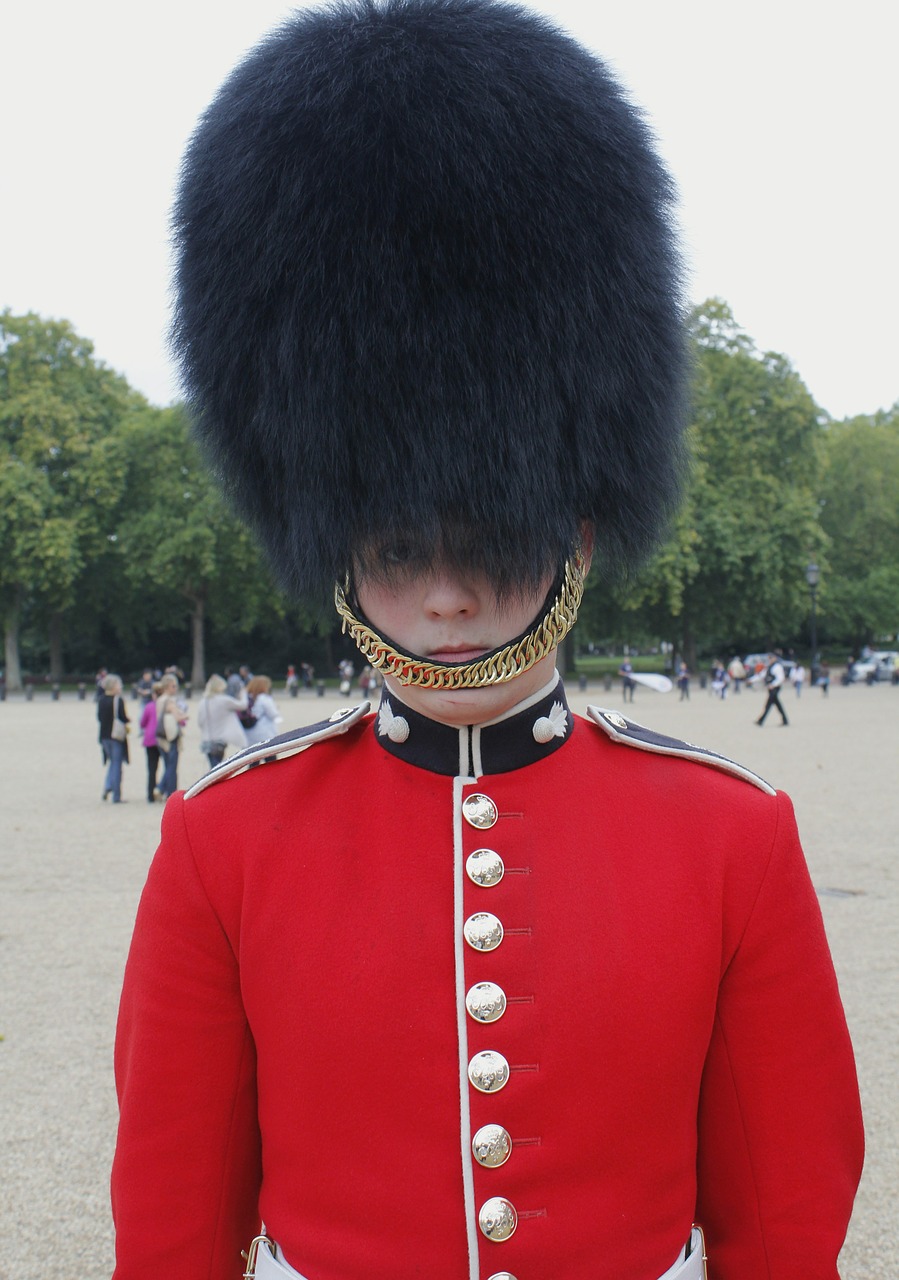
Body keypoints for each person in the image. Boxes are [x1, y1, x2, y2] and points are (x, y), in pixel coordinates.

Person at [112, 5, 862, 1279]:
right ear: (337, 543)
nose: (446, 600)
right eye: (399, 550)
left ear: (574, 531)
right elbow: (173, 1238)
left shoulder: (732, 838)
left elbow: (783, 1233)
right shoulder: (223, 846)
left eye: (492, 541)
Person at [197, 674, 249, 769]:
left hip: (207, 740)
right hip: (219, 740)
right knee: (217, 769)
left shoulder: (203, 702)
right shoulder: (223, 700)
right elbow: (243, 705)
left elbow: (200, 722)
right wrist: (243, 693)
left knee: (213, 767)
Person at [97, 673, 129, 803]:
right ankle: (116, 794)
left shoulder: (101, 699)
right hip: (115, 735)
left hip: (104, 735)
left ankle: (108, 785)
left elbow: (99, 717)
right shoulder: (118, 700)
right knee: (117, 764)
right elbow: (123, 717)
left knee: (112, 761)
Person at [155, 673, 187, 797]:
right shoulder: (169, 700)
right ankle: (168, 791)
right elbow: (178, 717)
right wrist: (185, 715)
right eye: (174, 686)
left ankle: (163, 788)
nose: (176, 688)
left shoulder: (159, 699)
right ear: (168, 687)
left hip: (161, 736)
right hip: (171, 736)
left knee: (167, 764)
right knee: (172, 767)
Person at [243, 676, 282, 746]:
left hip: (248, 732)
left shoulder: (247, 697)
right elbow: (273, 714)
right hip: (264, 732)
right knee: (270, 756)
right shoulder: (264, 698)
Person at [755, 651, 790, 727]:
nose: (769, 659)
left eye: (771, 658)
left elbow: (780, 678)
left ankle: (761, 720)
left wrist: (773, 685)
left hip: (775, 688)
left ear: (775, 658)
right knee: (777, 704)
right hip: (771, 688)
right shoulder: (769, 667)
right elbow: (761, 675)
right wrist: (751, 680)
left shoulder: (777, 667)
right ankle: (785, 720)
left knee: (768, 704)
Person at [138, 690, 161, 803]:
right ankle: (162, 788)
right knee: (169, 767)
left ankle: (150, 794)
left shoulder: (149, 706)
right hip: (163, 738)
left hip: (150, 738)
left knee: (152, 769)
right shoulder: (167, 704)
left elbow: (142, 723)